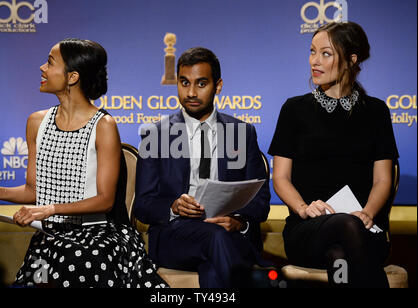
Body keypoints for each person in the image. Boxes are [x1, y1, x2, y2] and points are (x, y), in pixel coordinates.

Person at [0, 38, 168, 288]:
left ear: (72, 77)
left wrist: (50, 209)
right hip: (51, 237)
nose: (42, 68)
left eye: (50, 62)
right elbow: (34, 191)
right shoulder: (36, 122)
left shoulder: (103, 126)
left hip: (98, 238)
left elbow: (105, 200)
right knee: (36, 277)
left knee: (73, 263)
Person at [268, 22, 399, 288]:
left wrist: (367, 213)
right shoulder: (294, 109)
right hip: (307, 229)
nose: (314, 61)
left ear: (352, 60)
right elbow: (280, 178)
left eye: (325, 53)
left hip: (363, 228)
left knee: (340, 255)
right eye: (312, 51)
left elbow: (383, 180)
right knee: (345, 227)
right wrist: (304, 208)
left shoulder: (376, 112)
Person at [134, 47, 271, 288]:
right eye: (184, 83)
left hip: (228, 233)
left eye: (201, 83)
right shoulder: (154, 135)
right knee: (217, 241)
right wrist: (174, 206)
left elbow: (260, 200)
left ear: (218, 86)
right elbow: (143, 205)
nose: (191, 92)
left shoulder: (242, 133)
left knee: (213, 267)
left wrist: (238, 221)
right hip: (175, 236)